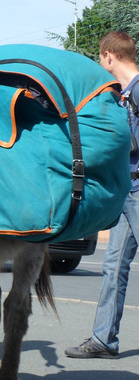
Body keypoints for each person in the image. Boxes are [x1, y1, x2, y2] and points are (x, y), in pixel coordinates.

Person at [65, 31, 139, 360]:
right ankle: (104, 339)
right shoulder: (124, 95)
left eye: (100, 57)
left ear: (109, 56)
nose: (100, 63)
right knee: (113, 267)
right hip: (128, 190)